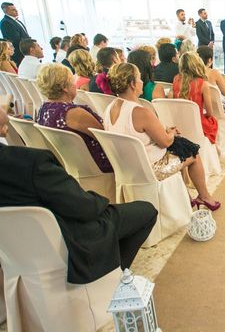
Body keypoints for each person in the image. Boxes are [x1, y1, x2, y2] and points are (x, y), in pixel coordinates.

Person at [0, 105, 156, 285]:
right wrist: (103, 200)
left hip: (16, 254)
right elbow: (84, 208)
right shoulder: (30, 162)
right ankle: (111, 277)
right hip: (69, 240)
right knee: (146, 211)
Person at [105, 62, 220, 211]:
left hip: (126, 167)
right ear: (133, 84)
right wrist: (170, 132)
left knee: (182, 145)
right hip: (151, 168)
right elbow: (165, 142)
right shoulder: (140, 112)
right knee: (193, 153)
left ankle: (184, 197)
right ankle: (204, 196)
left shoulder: (110, 107)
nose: (141, 82)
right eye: (139, 78)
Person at [36, 63, 112, 173]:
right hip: (95, 167)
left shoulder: (44, 108)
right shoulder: (73, 113)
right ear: (65, 88)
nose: (75, 84)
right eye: (72, 80)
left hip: (69, 165)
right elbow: (105, 137)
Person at [173, 51, 219, 144]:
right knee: (214, 121)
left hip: (180, 122)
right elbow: (210, 113)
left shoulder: (176, 79)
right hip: (197, 124)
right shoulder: (203, 84)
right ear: (198, 64)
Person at [0, 1, 30, 66]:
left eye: (16, 9)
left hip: (26, 51)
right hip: (19, 54)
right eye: (13, 10)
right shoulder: (5, 22)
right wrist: (29, 44)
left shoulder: (17, 21)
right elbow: (15, 40)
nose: (16, 11)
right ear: (6, 11)